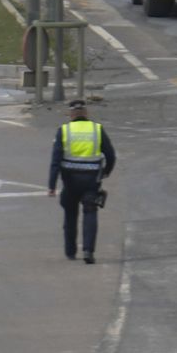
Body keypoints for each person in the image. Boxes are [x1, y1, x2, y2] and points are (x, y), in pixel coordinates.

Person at [47, 100, 116, 264]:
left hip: (70, 181)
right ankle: (88, 251)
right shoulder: (97, 129)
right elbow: (111, 155)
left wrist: (51, 185)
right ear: (86, 113)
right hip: (91, 180)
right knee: (90, 212)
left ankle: (70, 251)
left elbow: (55, 161)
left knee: (70, 215)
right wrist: (106, 172)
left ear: (71, 115)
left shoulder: (64, 130)